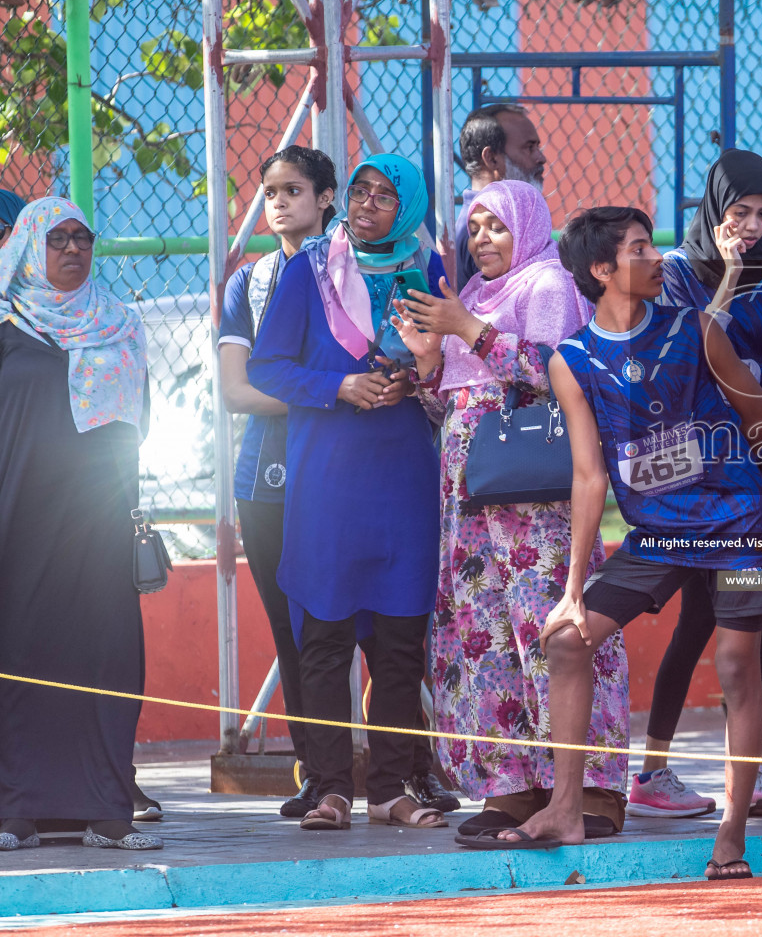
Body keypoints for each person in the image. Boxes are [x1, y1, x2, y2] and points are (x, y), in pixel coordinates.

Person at [482, 205, 762, 883]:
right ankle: (564, 807)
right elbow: (589, 477)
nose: (659, 259)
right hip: (657, 534)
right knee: (566, 640)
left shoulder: (697, 330)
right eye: (642, 248)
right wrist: (571, 591)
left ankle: (731, 830)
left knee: (737, 664)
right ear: (602, 269)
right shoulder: (575, 361)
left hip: (735, 523)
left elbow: (760, 417)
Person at [391, 180, 630, 840]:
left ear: (525, 225)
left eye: (496, 226)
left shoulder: (548, 284)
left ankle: (590, 789)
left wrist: (468, 330)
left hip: (535, 499)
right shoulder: (471, 296)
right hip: (471, 494)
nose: (483, 240)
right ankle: (514, 784)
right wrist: (428, 359)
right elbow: (455, 400)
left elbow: (557, 372)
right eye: (474, 228)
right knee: (484, 636)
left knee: (552, 631)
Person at [247, 153, 446, 832]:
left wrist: (419, 376)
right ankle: (329, 788)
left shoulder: (430, 271)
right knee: (324, 639)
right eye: (359, 191)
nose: (365, 205)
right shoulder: (310, 271)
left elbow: (458, 365)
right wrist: (337, 387)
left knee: (398, 642)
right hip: (327, 480)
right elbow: (267, 367)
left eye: (384, 196)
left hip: (404, 479)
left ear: (408, 209)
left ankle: (391, 789)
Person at [629, 150, 762, 820]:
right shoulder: (676, 273)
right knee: (692, 614)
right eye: (740, 212)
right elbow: (690, 358)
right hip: (695, 468)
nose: (752, 226)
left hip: (759, 461)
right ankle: (651, 768)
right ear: (714, 207)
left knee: (747, 613)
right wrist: (729, 284)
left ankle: (756, 776)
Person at [0, 198, 159, 851]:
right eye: (56, 238)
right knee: (19, 651)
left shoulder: (120, 322)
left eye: (82, 237)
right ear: (29, 247)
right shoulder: (6, 320)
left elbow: (141, 417)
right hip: (17, 512)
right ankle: (17, 806)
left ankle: (105, 803)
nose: (71, 248)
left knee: (105, 649)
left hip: (96, 516)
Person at [218, 146, 337, 819]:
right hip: (267, 483)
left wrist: (316, 390)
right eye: (270, 192)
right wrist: (336, 394)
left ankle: (401, 772)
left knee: (377, 626)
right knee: (293, 632)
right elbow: (240, 389)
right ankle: (320, 775)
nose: (280, 202)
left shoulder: (352, 272)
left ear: (326, 198)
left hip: (351, 475)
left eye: (294, 189)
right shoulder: (251, 284)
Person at [454, 104, 548, 287]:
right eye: (529, 148)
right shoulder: (478, 229)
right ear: (492, 158)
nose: (541, 157)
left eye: (537, 147)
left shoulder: (512, 215)